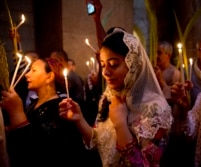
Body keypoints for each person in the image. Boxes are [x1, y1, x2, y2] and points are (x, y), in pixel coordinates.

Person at [58, 28, 173, 166]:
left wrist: (120, 125)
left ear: (133, 65)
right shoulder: (109, 96)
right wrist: (80, 119)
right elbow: (99, 142)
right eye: (103, 64)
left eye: (113, 64)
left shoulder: (156, 108)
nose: (105, 72)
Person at [0, 58, 88, 167]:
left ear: (49, 77)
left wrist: (17, 112)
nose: (27, 75)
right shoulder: (35, 103)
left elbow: (40, 149)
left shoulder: (60, 107)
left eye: (34, 70)